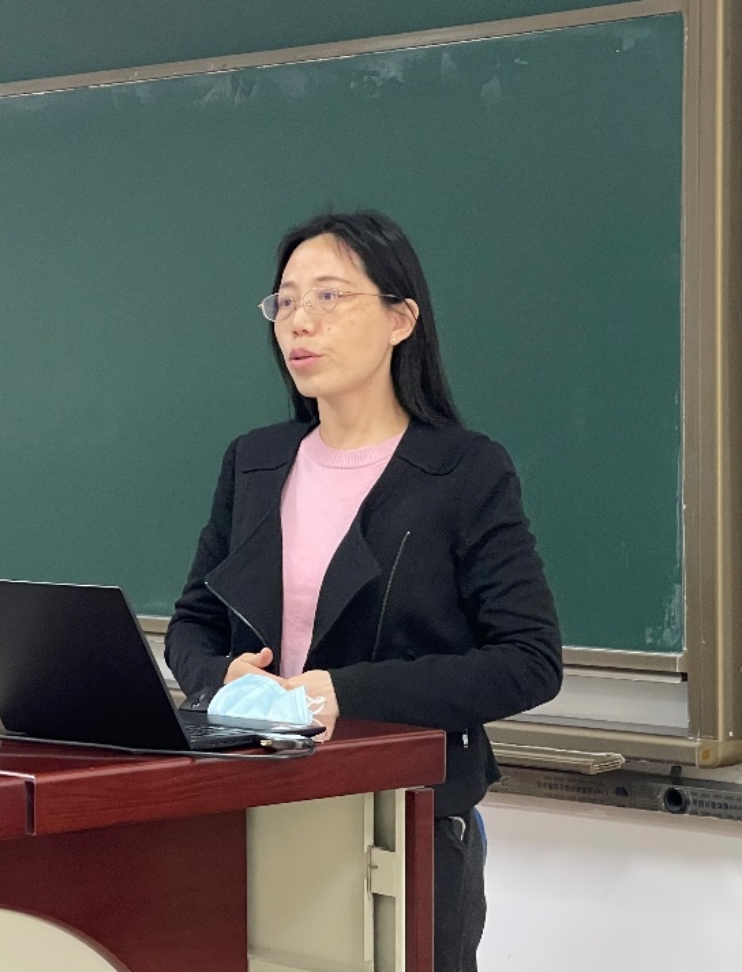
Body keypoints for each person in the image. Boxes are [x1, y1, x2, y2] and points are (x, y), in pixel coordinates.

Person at [165, 210, 563, 972]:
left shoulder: (464, 472)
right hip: (248, 814)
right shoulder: (254, 462)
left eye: (329, 296)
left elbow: (529, 661)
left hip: (403, 824)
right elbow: (191, 624)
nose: (299, 322)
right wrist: (221, 677)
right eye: (285, 302)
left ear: (400, 320)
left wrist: (340, 694)